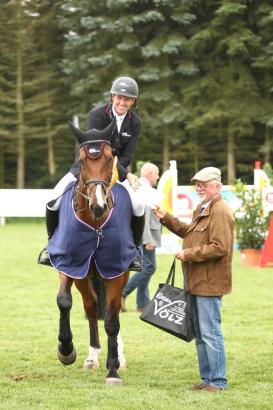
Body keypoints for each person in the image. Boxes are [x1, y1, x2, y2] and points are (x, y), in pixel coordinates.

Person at [38, 76, 145, 271]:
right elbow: (93, 150)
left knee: (138, 204)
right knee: (53, 199)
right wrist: (125, 174)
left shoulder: (135, 122)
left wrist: (121, 172)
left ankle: (135, 252)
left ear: (133, 101)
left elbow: (128, 154)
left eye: (127, 99)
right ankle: (51, 246)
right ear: (112, 96)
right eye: (119, 98)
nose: (122, 102)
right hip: (89, 168)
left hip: (115, 171)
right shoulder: (97, 115)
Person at [153, 167, 233, 393]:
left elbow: (220, 248)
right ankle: (207, 379)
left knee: (210, 333)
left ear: (216, 186)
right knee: (199, 334)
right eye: (197, 184)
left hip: (210, 283)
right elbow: (190, 232)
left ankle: (218, 382)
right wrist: (165, 218)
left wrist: (188, 254)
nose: (199, 188)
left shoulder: (221, 211)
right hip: (196, 281)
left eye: (204, 184)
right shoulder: (203, 207)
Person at [121, 163, 162, 312]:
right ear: (150, 174)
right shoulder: (146, 190)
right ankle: (122, 292)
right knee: (149, 268)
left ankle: (143, 303)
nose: (158, 176)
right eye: (157, 173)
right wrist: (148, 239)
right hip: (146, 238)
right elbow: (143, 214)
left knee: (145, 268)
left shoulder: (140, 187)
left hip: (143, 237)